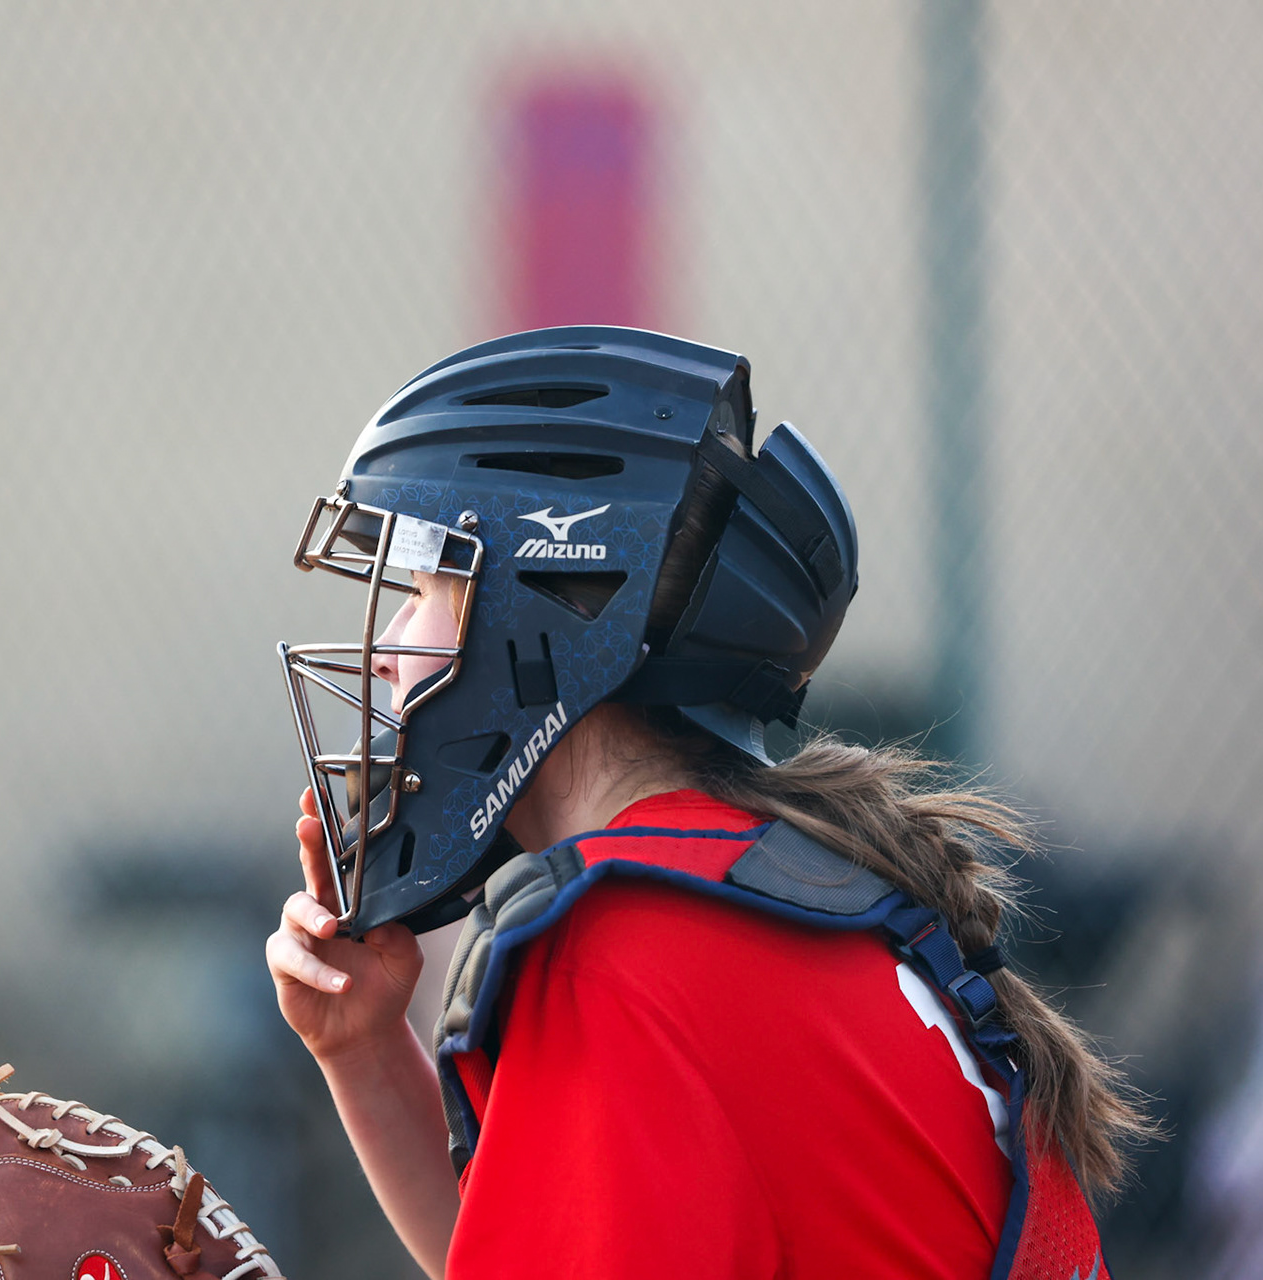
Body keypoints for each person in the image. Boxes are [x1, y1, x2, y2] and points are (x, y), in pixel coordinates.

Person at [268, 326, 1152, 1278]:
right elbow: (531, 1244)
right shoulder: (780, 889)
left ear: (535, 611)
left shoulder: (621, 954)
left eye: (424, 591)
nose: (390, 651)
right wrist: (362, 1052)